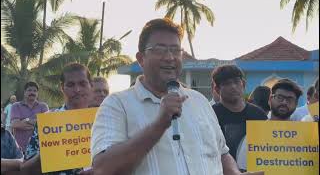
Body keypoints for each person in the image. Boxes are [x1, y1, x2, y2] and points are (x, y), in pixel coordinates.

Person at [91, 18, 245, 175]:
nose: (170, 57)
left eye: (175, 50)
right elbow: (103, 168)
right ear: (141, 59)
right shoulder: (117, 105)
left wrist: (235, 172)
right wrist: (159, 125)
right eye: (160, 49)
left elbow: (222, 154)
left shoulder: (199, 101)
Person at [22, 63, 93, 175]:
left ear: (91, 85)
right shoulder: (47, 122)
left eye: (82, 84)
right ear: (62, 87)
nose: (77, 89)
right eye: (70, 85)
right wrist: (46, 153)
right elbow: (25, 170)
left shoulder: (102, 120)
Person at [236, 78, 303, 171]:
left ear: (296, 104)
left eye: (290, 99)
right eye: (279, 97)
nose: (284, 102)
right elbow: (242, 169)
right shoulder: (254, 135)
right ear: (270, 100)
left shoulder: (303, 137)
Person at [211, 65, 268, 160]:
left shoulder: (259, 115)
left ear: (244, 84)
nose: (233, 87)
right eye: (226, 83)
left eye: (236, 82)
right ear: (217, 89)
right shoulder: (210, 115)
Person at [10, 82, 49, 153]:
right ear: (24, 92)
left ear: (37, 93)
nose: (32, 93)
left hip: (40, 149)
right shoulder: (16, 106)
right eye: (29, 90)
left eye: (35, 91)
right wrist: (36, 125)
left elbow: (46, 125)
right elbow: (15, 124)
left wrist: (26, 120)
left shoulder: (43, 106)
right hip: (20, 148)